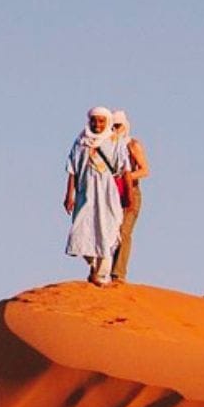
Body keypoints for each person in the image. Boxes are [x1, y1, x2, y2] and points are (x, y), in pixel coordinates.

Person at [64, 106, 127, 285]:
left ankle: (101, 274)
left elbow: (124, 169)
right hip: (86, 193)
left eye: (101, 121)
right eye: (94, 120)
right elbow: (72, 169)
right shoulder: (81, 141)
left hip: (108, 193)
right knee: (81, 229)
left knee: (108, 230)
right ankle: (93, 265)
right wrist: (70, 194)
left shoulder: (115, 141)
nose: (97, 124)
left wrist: (128, 193)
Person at [109, 110, 151, 284]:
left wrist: (127, 177)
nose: (114, 129)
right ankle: (103, 271)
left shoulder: (132, 145)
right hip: (111, 193)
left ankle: (118, 274)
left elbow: (145, 169)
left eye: (117, 125)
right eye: (111, 126)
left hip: (130, 192)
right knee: (109, 232)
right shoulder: (107, 146)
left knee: (124, 232)